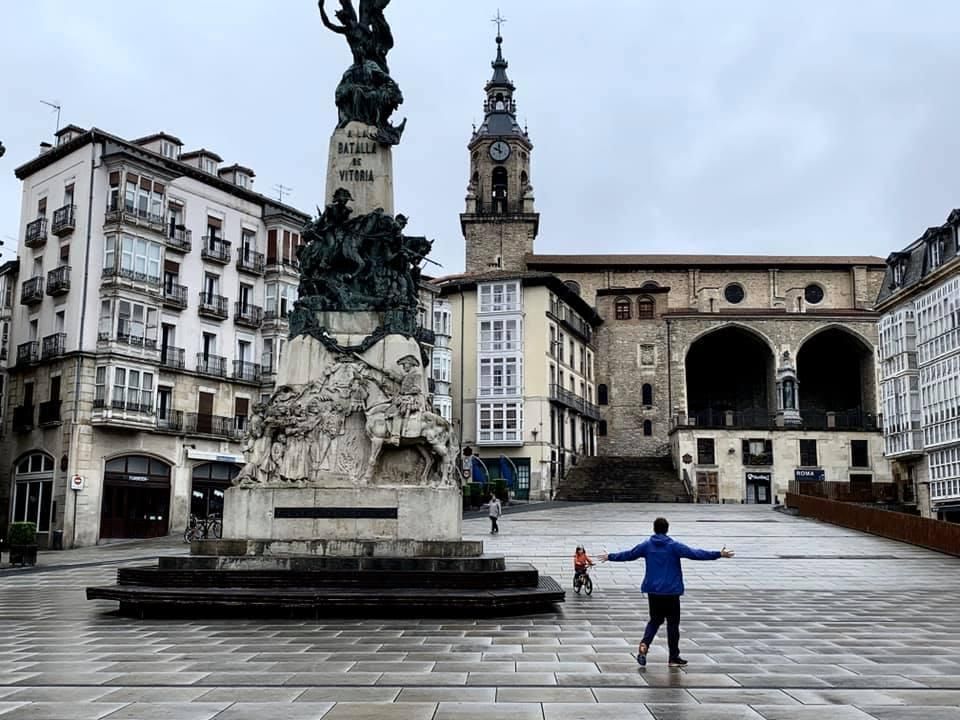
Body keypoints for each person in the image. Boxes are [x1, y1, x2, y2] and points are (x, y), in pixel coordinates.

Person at [598, 517, 734, 668]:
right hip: (671, 591)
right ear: (667, 529)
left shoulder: (646, 546)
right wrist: (719, 554)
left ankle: (645, 644)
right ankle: (673, 657)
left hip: (653, 591)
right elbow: (696, 554)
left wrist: (610, 556)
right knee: (673, 624)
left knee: (655, 620)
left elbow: (629, 555)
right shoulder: (674, 546)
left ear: (654, 529)